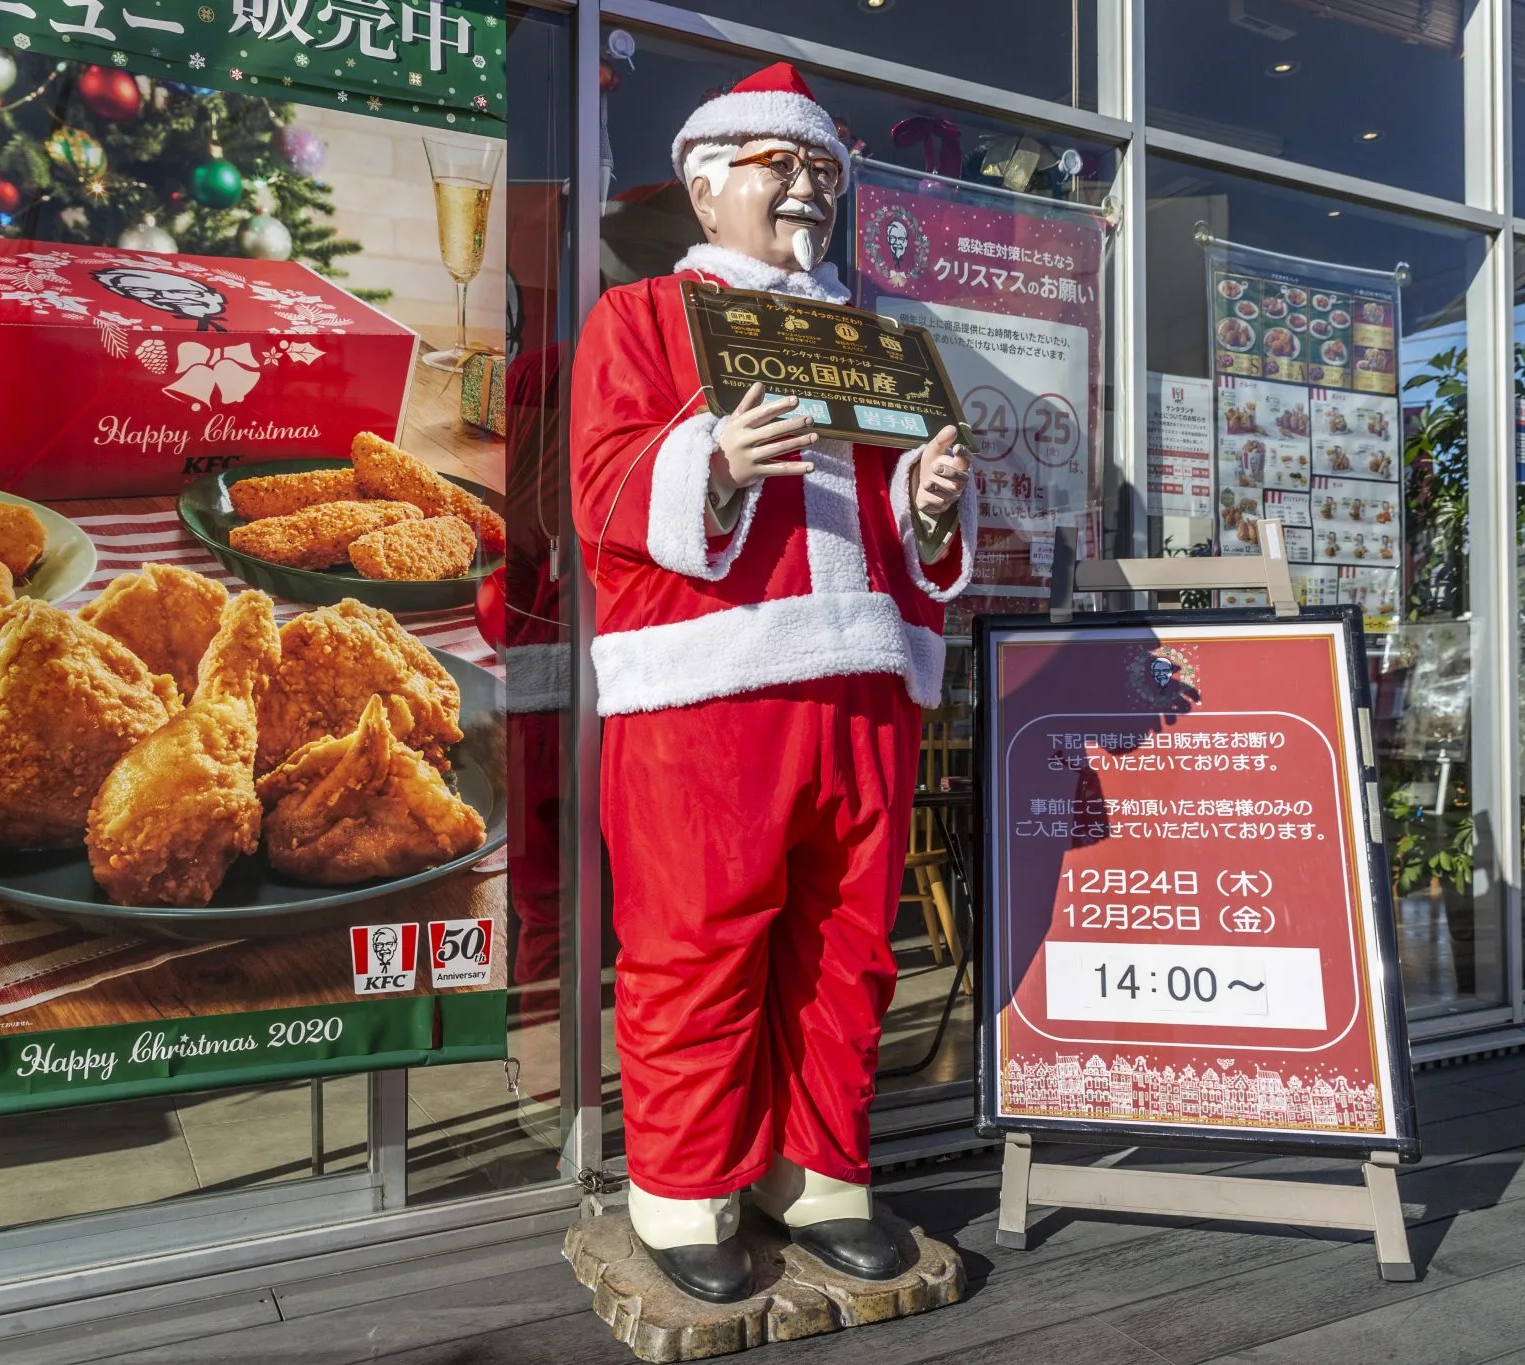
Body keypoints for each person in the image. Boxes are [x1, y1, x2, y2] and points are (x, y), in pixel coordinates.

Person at [570, 63, 974, 1303]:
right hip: (710, 688)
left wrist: (926, 505)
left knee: (848, 947)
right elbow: (599, 484)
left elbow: (899, 522)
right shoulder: (641, 318)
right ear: (704, 188)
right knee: (697, 941)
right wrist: (712, 461)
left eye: (821, 172)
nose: (806, 188)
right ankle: (685, 1190)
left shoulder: (878, 344)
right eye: (778, 165)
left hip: (866, 682)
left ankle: (818, 1174)